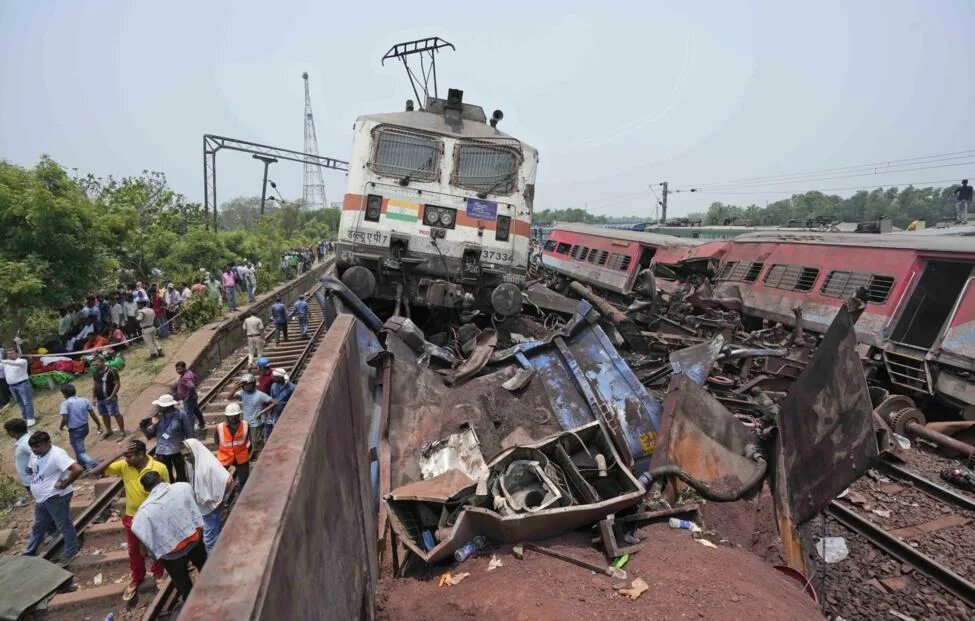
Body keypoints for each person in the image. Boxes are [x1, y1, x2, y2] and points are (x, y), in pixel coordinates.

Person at [88, 440, 169, 600]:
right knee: (134, 551)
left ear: (141, 455)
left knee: (155, 547)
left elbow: (167, 491)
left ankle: (158, 573)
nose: (126, 459)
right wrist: (118, 453)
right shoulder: (124, 466)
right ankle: (137, 577)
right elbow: (95, 472)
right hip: (132, 516)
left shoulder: (159, 468)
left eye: (129, 456)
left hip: (153, 515)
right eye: (124, 456)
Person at [131, 472, 206, 603]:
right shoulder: (183, 487)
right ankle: (212, 589)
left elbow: (138, 529)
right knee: (205, 567)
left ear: (146, 489)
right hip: (194, 539)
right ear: (162, 479)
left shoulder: (144, 512)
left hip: (172, 553)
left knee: (182, 583)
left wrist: (148, 551)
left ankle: (191, 605)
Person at [23, 432, 84, 565]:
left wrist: (64, 483)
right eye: (32, 447)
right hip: (42, 498)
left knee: (64, 525)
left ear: (48, 443)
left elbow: (78, 469)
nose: (34, 450)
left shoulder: (57, 454)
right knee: (38, 526)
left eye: (37, 446)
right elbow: (32, 468)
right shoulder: (35, 453)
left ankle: (71, 552)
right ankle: (29, 553)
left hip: (55, 497)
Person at [183, 438, 232, 553]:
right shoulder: (193, 464)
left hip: (211, 508)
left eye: (187, 454)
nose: (186, 457)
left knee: (209, 541)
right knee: (215, 533)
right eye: (184, 455)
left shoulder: (209, 465)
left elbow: (228, 480)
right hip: (203, 508)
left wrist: (219, 499)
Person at [145, 394, 193, 482]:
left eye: (161, 406)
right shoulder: (156, 415)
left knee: (181, 475)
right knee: (166, 476)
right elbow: (149, 433)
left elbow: (188, 430)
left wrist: (190, 447)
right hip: (161, 451)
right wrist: (153, 425)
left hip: (177, 450)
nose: (159, 407)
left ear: (169, 406)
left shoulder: (180, 414)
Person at [225, 374, 275, 451]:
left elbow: (274, 402)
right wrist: (234, 389)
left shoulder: (260, 394)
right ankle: (254, 453)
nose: (246, 386)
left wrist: (262, 411)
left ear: (253, 384)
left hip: (256, 423)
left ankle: (261, 453)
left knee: (256, 441)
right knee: (248, 441)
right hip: (245, 422)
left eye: (248, 384)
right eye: (245, 385)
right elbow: (229, 398)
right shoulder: (242, 393)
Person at [58, 384, 102, 469]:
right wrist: (98, 425)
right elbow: (92, 414)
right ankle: (82, 466)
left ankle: (96, 465)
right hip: (85, 428)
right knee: (79, 449)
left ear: (64, 394)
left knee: (80, 452)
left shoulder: (65, 403)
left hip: (75, 431)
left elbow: (65, 418)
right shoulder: (84, 400)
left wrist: (61, 426)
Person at [214, 403, 251, 487]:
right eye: (231, 416)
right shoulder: (219, 427)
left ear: (239, 415)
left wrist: (246, 453)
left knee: (244, 481)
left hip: (241, 457)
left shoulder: (245, 425)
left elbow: (249, 442)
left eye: (235, 415)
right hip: (225, 457)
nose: (233, 418)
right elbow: (217, 442)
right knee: (221, 481)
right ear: (227, 416)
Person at [92, 355, 125, 437]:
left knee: (116, 414)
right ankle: (109, 431)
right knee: (104, 414)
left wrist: (111, 396)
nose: (96, 366)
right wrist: (93, 397)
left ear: (103, 362)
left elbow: (117, 384)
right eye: (94, 365)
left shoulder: (112, 371)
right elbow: (94, 385)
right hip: (100, 399)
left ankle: (122, 431)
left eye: (97, 364)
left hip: (110, 398)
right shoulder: (95, 373)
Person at [3, 346, 36, 427]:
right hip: (12, 386)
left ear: (17, 353)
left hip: (22, 384)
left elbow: (13, 363)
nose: (10, 355)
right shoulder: (6, 363)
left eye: (12, 353)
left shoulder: (22, 361)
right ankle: (25, 417)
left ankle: (31, 418)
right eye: (8, 354)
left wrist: (3, 361)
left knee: (26, 402)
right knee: (20, 402)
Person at [174, 361, 205, 430]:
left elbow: (191, 386)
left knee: (188, 415)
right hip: (193, 396)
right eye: (177, 369)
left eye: (180, 369)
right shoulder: (189, 372)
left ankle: (190, 430)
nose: (178, 371)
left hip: (189, 399)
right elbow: (195, 378)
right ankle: (202, 424)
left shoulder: (185, 377)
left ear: (184, 368)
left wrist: (187, 396)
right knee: (196, 411)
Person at [266, 368, 296, 439]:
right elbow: (272, 399)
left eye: (275, 378)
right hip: (276, 413)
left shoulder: (292, 387)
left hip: (287, 413)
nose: (274, 379)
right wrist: (269, 413)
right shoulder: (273, 386)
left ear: (280, 377)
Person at [5, 418, 33, 490]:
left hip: (33, 481)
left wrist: (30, 466)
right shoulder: (28, 438)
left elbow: (39, 454)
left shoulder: (25, 442)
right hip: (31, 480)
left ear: (11, 432)